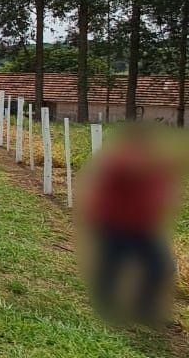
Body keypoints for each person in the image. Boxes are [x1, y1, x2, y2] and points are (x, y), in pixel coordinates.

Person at [80, 124, 181, 327]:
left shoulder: (156, 165)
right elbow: (130, 170)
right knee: (113, 266)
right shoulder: (121, 160)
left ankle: (143, 309)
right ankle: (106, 306)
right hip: (114, 222)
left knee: (162, 266)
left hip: (142, 226)